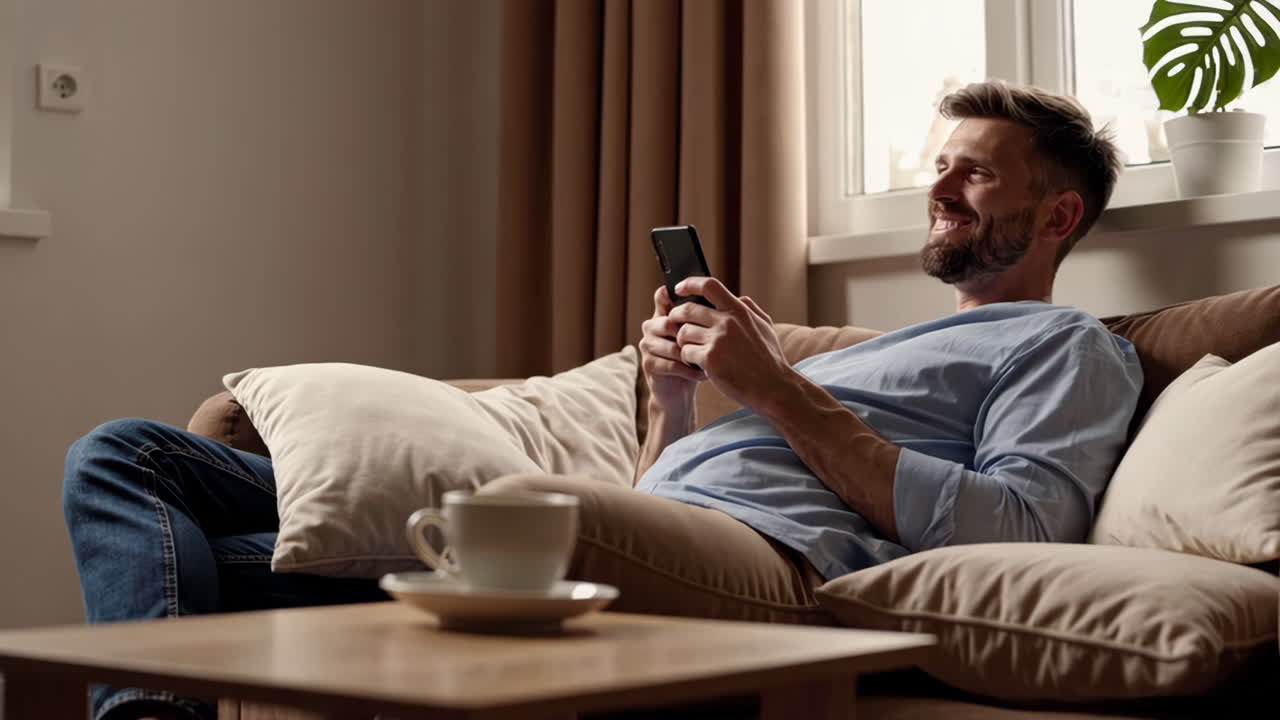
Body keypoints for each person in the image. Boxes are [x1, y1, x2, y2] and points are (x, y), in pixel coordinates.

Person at [62, 80, 1141, 720]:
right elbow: (656, 495)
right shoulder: (889, 349)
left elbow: (1020, 524)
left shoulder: (1067, 345)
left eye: (977, 175)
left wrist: (768, 384)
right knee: (129, 456)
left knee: (456, 524)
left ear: (1056, 217)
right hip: (659, 527)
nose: (940, 190)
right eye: (939, 167)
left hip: (762, 565)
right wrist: (675, 401)